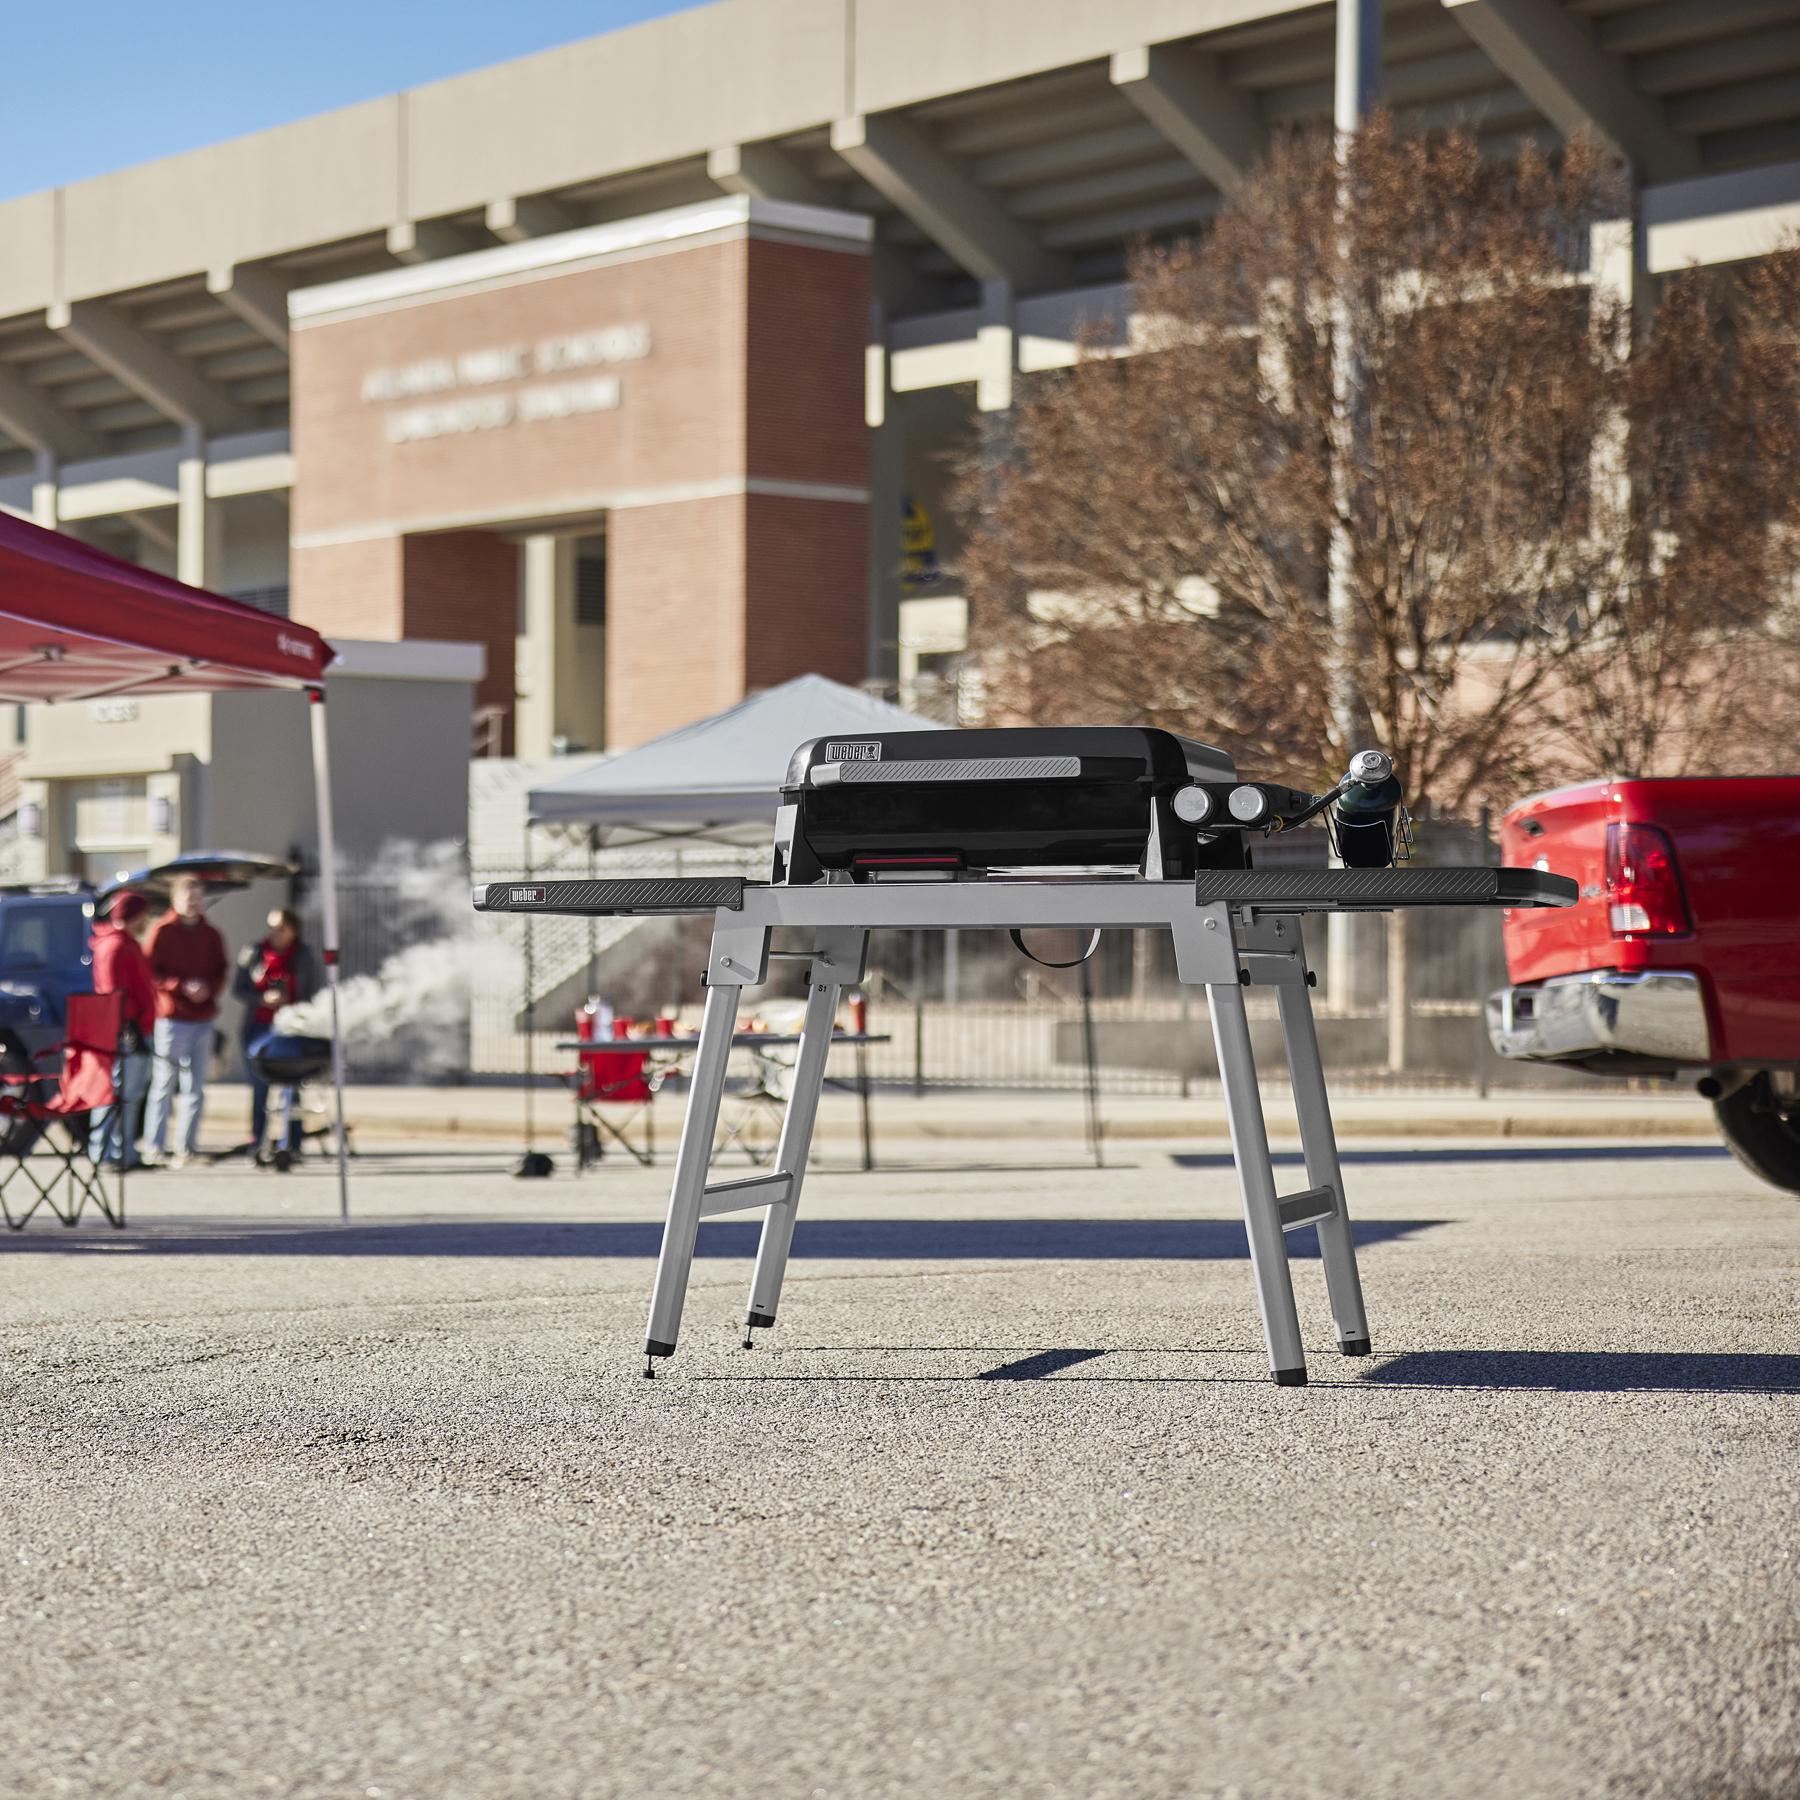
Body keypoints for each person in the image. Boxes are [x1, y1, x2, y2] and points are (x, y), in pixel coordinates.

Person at [142, 876, 228, 1168]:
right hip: (172, 1018)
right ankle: (154, 1146)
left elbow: (221, 970)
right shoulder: (162, 931)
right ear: (176, 900)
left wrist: (208, 989)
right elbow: (151, 972)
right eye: (188, 898)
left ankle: (186, 1147)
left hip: (203, 1017)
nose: (193, 903)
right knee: (164, 1083)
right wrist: (179, 986)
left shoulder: (211, 934)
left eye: (198, 898)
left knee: (195, 1087)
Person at [232, 908, 320, 1161]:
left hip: (290, 1027)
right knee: (260, 1086)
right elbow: (239, 988)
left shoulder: (303, 956)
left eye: (280, 928)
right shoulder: (254, 953)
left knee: (292, 1087)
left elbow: (310, 992)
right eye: (271, 927)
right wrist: (262, 999)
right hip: (258, 1027)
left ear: (293, 929)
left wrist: (288, 1001)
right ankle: (258, 1139)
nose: (274, 933)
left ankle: (293, 1142)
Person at [87, 892, 156, 1169]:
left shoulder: (124, 943)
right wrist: (130, 1025)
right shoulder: (116, 946)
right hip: (126, 1030)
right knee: (119, 1094)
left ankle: (121, 1149)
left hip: (131, 1027)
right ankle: (109, 1152)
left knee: (128, 1094)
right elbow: (113, 992)